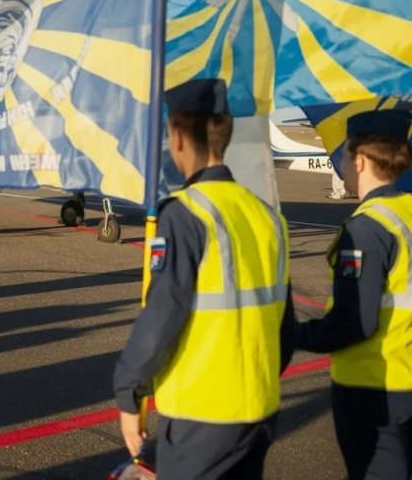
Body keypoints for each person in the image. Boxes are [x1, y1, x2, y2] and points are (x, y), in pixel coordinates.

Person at [113, 78, 294, 478]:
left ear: (177, 137)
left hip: (203, 414)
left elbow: (162, 318)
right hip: (259, 409)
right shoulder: (268, 217)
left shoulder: (185, 214)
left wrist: (129, 390)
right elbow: (285, 329)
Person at [294, 108, 412, 479]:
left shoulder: (367, 228)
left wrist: (295, 334)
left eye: (343, 154)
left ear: (360, 161)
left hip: (373, 385)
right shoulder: (406, 211)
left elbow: (354, 323)